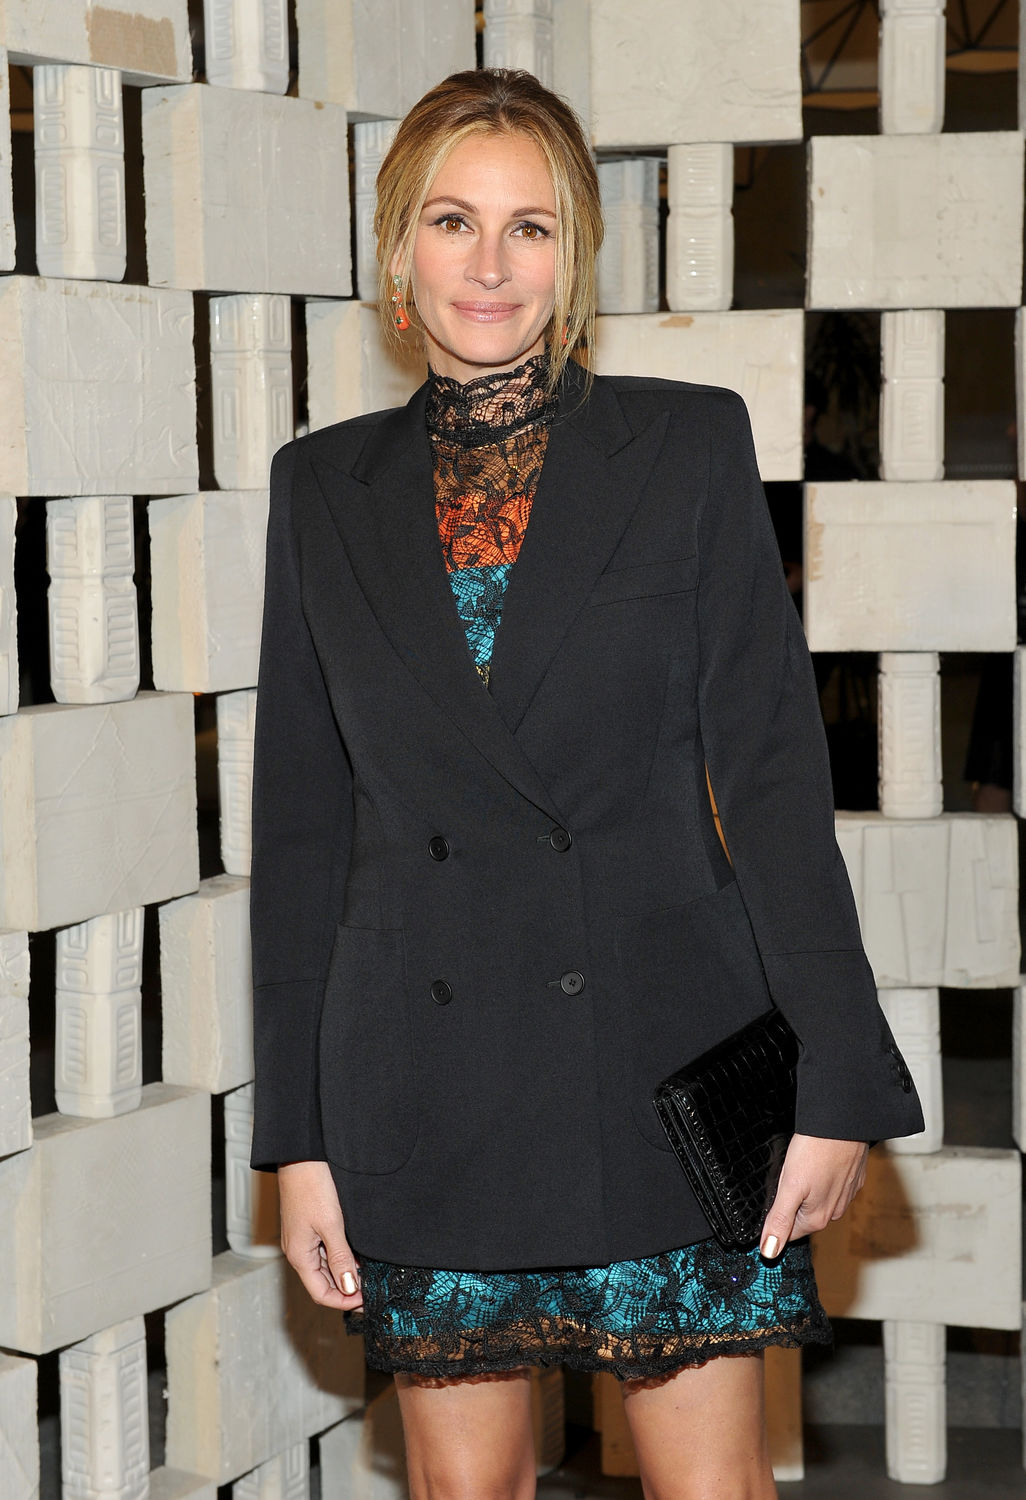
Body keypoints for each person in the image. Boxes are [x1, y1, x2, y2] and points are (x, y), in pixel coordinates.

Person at [249, 69, 924, 1500]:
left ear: (576, 256)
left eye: (530, 228)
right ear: (395, 251)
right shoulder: (319, 488)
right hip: (423, 1078)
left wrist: (840, 1079)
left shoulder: (681, 447)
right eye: (451, 220)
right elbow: (304, 833)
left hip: (653, 1050)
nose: (488, 266)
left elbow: (774, 777)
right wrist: (297, 1145)